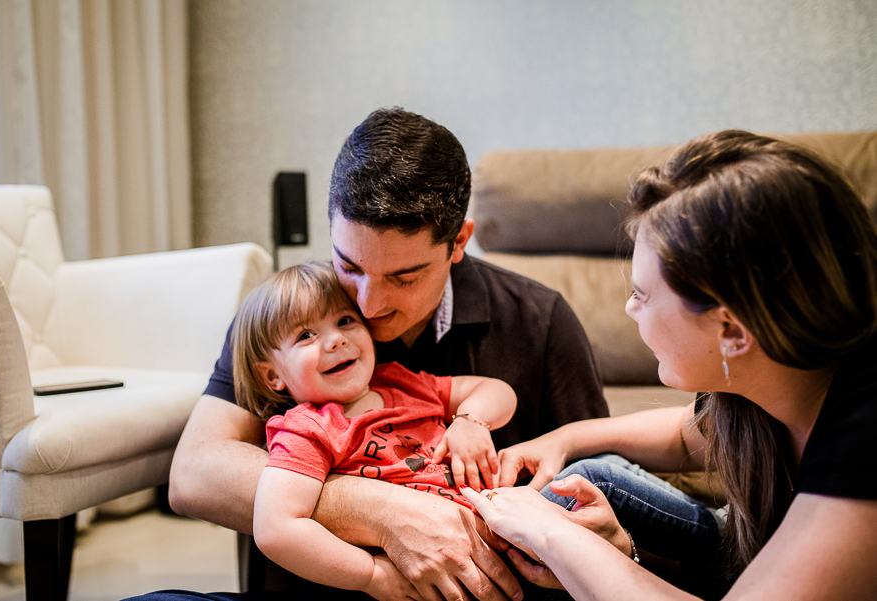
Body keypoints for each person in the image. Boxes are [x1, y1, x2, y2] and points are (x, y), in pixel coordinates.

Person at [144, 107, 608, 601]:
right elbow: (194, 476)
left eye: (404, 277)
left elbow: (602, 488)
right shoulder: (282, 323)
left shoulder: (540, 321)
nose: (367, 304)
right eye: (349, 264)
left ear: (459, 243)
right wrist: (383, 513)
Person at [462, 129, 877, 600]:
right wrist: (564, 440)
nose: (629, 309)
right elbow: (688, 435)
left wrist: (553, 535)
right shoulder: (776, 379)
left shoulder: (863, 435)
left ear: (733, 331)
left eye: (642, 294)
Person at [233, 260, 516, 601]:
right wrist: (370, 576)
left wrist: (471, 420)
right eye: (306, 335)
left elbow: (497, 390)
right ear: (272, 376)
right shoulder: (309, 429)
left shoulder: (404, 381)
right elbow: (277, 528)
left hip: (506, 535)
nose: (336, 340)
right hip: (427, 580)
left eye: (345, 321)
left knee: (591, 477)